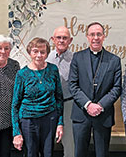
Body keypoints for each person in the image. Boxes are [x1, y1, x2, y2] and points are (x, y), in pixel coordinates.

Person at [69, 22, 122, 157]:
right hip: (81, 113)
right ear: (87, 37)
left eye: (99, 34)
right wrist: (88, 105)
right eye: (92, 34)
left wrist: (99, 105)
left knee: (102, 153)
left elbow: (116, 88)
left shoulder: (114, 60)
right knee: (80, 153)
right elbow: (73, 85)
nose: (95, 38)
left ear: (104, 36)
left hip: (103, 114)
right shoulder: (77, 57)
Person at [12, 37, 64, 157]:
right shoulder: (22, 74)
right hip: (28, 120)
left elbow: (59, 98)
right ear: (30, 52)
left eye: (42, 52)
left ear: (47, 53)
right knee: (30, 153)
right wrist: (16, 132)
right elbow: (15, 104)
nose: (39, 55)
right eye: (35, 51)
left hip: (49, 119)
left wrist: (60, 123)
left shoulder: (53, 69)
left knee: (48, 153)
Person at [47, 26, 74, 157]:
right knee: (46, 142)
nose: (61, 40)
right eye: (58, 37)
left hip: (69, 104)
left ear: (70, 40)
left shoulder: (76, 60)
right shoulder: (45, 58)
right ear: (53, 39)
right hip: (48, 105)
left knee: (70, 144)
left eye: (65, 38)